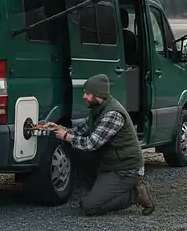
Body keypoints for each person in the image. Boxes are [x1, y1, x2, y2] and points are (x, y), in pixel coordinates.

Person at [45, 73, 155, 216]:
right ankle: (101, 192)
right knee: (72, 147)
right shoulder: (97, 111)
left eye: (87, 93)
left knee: (90, 207)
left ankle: (134, 195)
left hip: (125, 169)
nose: (84, 96)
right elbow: (78, 132)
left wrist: (66, 136)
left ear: (98, 96)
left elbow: (91, 144)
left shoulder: (113, 114)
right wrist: (58, 128)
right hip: (109, 164)